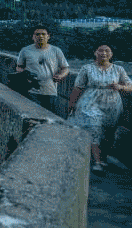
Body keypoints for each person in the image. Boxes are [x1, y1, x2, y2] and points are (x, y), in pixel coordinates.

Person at [67, 45, 132, 173]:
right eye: (100, 50)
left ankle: (103, 158)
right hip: (90, 102)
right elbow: (78, 87)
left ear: (111, 54)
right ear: (95, 53)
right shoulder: (87, 68)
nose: (103, 53)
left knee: (109, 132)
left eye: (107, 51)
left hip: (112, 105)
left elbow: (130, 86)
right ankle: (97, 162)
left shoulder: (118, 69)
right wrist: (71, 104)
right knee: (93, 127)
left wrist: (120, 87)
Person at [16, 27, 69, 115]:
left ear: (48, 36)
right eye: (37, 34)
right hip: (30, 90)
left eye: (43, 34)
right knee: (32, 116)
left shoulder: (56, 51)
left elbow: (65, 68)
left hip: (50, 91)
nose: (40, 36)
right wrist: (24, 74)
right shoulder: (25, 51)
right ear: (32, 37)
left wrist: (61, 75)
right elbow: (19, 66)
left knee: (48, 117)